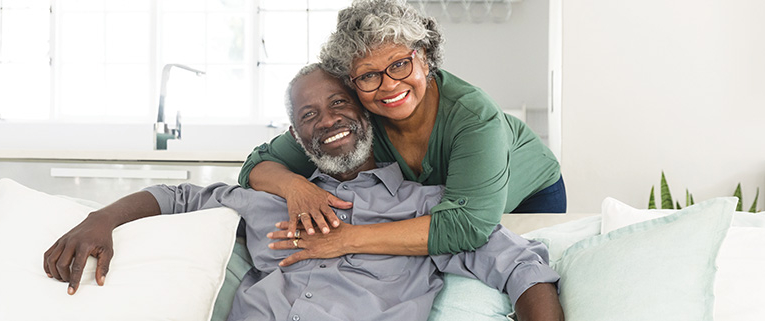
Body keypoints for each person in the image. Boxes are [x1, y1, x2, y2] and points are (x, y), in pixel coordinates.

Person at [43, 65, 564, 321]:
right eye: (308, 115)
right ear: (296, 136)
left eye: (339, 104)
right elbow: (176, 196)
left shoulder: (424, 207)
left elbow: (521, 265)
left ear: (366, 115)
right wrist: (99, 220)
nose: (327, 121)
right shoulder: (263, 202)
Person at [239, 0, 565, 260]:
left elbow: (468, 226)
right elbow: (257, 166)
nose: (389, 85)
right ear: (352, 84)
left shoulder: (474, 116)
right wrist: (296, 187)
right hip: (450, 216)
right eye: (369, 75)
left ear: (424, 57)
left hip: (531, 197)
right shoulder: (356, 117)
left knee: (516, 266)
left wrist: (346, 240)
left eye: (399, 64)